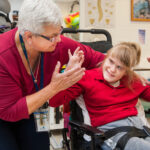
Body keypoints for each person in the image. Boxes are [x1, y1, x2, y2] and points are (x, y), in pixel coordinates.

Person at [0, 0, 106, 150]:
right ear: (29, 36)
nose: (59, 39)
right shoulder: (3, 55)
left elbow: (101, 60)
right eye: (52, 36)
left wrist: (125, 71)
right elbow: (9, 111)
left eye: (60, 31)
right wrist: (54, 87)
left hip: (32, 110)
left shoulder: (59, 44)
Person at [50, 42, 150, 150]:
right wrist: (69, 73)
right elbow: (54, 101)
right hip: (111, 131)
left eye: (119, 67)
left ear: (127, 70)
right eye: (111, 61)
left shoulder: (133, 81)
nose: (112, 69)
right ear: (106, 57)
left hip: (139, 127)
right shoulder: (86, 78)